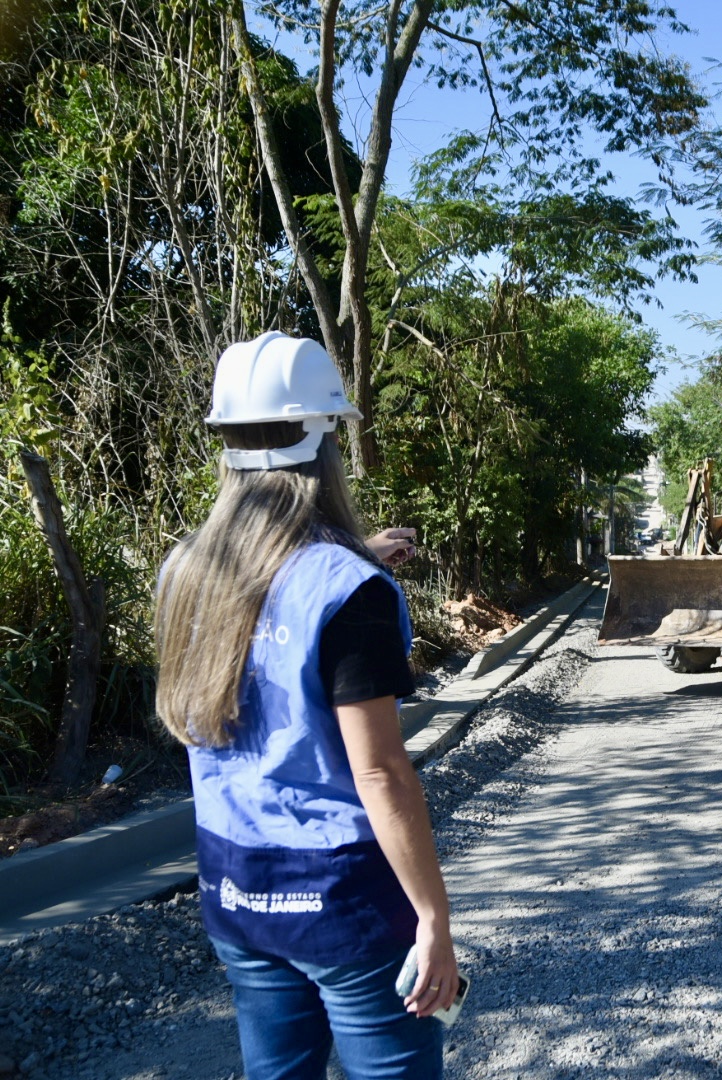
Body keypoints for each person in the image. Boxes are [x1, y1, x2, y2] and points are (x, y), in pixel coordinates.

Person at [154, 332, 457, 1080]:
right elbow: (380, 773)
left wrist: (354, 554)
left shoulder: (186, 572)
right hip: (340, 899)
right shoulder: (348, 593)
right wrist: (433, 920)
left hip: (234, 884)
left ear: (224, 443)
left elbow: (265, 605)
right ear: (327, 439)